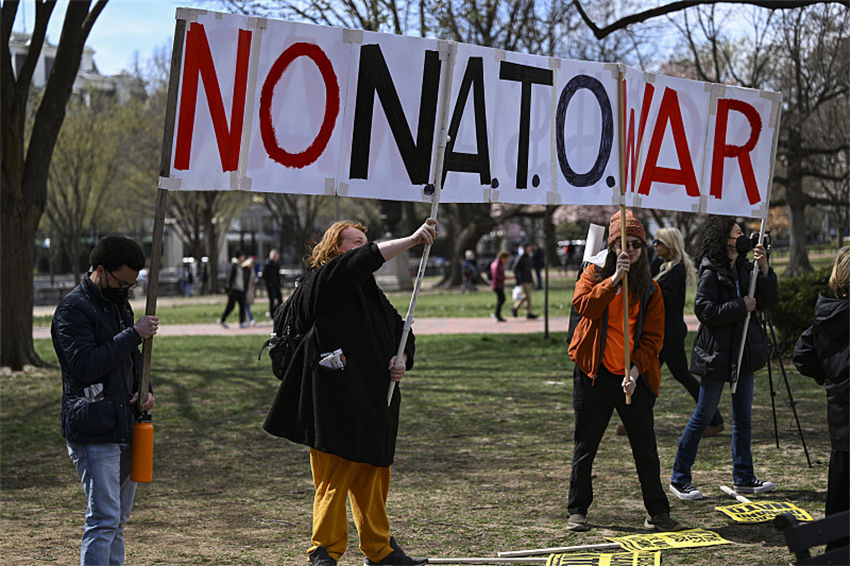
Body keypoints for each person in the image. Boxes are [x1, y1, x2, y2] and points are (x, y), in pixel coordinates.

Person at [263, 218, 437, 566]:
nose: (362, 247)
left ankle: (380, 550)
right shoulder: (323, 282)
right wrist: (413, 239)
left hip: (374, 403)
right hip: (333, 402)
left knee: (371, 480)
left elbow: (403, 331)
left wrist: (402, 356)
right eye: (354, 242)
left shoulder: (370, 292)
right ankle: (323, 550)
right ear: (334, 249)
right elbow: (361, 261)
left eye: (364, 240)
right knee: (334, 477)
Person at [566, 210, 683, 533]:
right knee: (586, 444)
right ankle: (577, 510)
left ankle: (657, 512)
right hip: (594, 373)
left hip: (630, 377)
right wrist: (614, 280)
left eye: (636, 245)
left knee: (645, 446)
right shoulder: (593, 273)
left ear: (644, 249)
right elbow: (584, 306)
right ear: (612, 247)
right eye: (622, 244)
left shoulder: (651, 290)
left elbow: (652, 339)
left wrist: (634, 371)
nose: (629, 250)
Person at [52, 235, 158, 566]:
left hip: (123, 421)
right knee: (104, 517)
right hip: (92, 425)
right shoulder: (72, 310)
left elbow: (131, 358)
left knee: (118, 519)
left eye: (131, 285)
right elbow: (85, 365)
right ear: (100, 270)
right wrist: (133, 334)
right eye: (122, 282)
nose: (126, 290)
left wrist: (145, 387)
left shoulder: (118, 304)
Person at [669, 216, 778, 501]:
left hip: (743, 353)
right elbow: (704, 311)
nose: (743, 238)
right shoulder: (711, 271)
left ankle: (744, 477)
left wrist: (764, 269)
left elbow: (766, 301)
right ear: (724, 240)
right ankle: (680, 478)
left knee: (743, 418)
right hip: (717, 355)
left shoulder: (745, 267)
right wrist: (739, 306)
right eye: (738, 234)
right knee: (704, 415)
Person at [793, 246, 849, 552]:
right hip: (842, 414)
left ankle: (836, 551)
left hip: (841, 420)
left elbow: (803, 355)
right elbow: (802, 356)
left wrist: (829, 375)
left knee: (840, 492)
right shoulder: (830, 317)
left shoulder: (827, 317)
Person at [649, 228, 724, 437]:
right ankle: (637, 418)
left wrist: (648, 289)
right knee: (648, 375)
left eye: (659, 242)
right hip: (662, 330)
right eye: (654, 242)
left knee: (680, 375)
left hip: (669, 332)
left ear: (670, 246)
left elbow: (664, 300)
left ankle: (715, 418)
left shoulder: (675, 270)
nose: (655, 245)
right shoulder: (661, 266)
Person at [219, 250, 247, 328]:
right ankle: (222, 319)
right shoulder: (233, 265)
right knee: (231, 306)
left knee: (242, 305)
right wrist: (229, 290)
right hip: (234, 289)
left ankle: (242, 321)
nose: (244, 258)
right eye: (242, 256)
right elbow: (230, 278)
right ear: (239, 257)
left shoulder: (240, 266)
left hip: (240, 289)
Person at [511, 242, 537, 319]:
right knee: (527, 297)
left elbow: (529, 270)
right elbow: (515, 268)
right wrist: (519, 279)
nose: (530, 249)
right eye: (528, 247)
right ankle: (527, 312)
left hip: (529, 280)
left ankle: (517, 309)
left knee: (527, 297)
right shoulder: (521, 257)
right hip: (524, 280)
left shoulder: (528, 257)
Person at [490, 251, 510, 322]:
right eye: (506, 259)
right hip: (497, 285)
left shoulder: (499, 264)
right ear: (502, 257)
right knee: (502, 299)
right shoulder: (497, 264)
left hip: (499, 285)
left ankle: (497, 314)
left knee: (501, 299)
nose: (506, 261)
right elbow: (496, 275)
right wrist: (504, 278)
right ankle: (497, 314)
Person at [263, 248, 283, 318]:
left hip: (276, 285)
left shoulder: (276, 264)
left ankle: (272, 311)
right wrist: (268, 284)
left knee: (280, 300)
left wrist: (279, 284)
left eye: (276, 255)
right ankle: (271, 315)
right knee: (272, 301)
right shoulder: (267, 264)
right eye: (273, 255)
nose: (275, 257)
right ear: (270, 256)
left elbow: (278, 275)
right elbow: (264, 275)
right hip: (270, 286)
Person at [242, 256, 258, 327]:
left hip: (249, 290)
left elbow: (253, 278)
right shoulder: (244, 270)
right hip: (245, 290)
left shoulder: (250, 270)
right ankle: (251, 320)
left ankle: (245, 320)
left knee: (245, 306)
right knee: (246, 306)